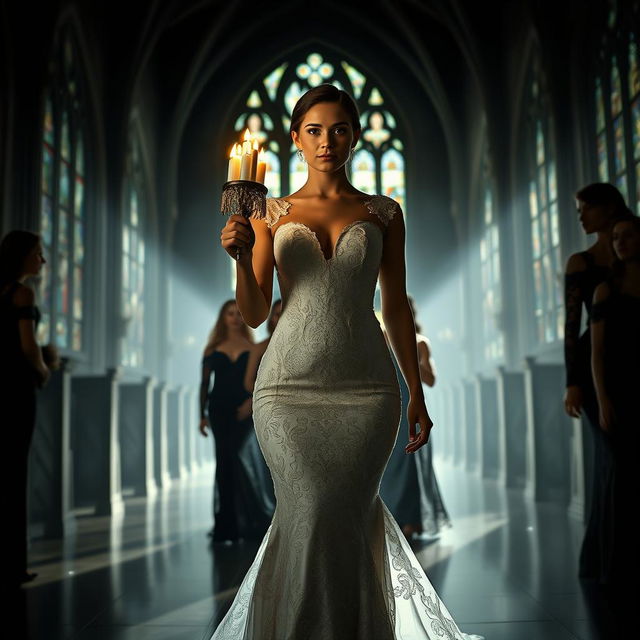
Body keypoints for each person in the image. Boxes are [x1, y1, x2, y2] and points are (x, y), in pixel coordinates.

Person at [214, 85, 482, 639]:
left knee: (345, 515)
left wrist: (418, 395)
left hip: (368, 391)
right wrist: (242, 259)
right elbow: (257, 311)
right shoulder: (268, 211)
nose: (326, 141)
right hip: (286, 391)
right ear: (295, 138)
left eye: (338, 129)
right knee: (309, 511)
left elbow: (399, 312)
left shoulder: (384, 213)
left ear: (355, 136)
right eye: (313, 130)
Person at [563, 183, 632, 582]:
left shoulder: (631, 254)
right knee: (612, 461)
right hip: (595, 370)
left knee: (623, 463)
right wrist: (573, 381)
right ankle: (606, 562)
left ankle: (608, 557)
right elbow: (572, 328)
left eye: (586, 208)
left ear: (607, 209)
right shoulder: (582, 263)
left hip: (632, 365)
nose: (581, 216)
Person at [591, 216, 640, 590]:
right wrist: (603, 398)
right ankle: (618, 568)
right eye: (616, 237)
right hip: (621, 390)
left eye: (628, 236)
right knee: (622, 477)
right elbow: (598, 353)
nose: (620, 242)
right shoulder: (607, 289)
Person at [199, 300, 272, 543]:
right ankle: (225, 524)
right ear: (222, 318)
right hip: (218, 409)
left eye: (239, 313)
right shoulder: (212, 349)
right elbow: (204, 386)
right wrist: (201, 416)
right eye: (230, 314)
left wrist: (250, 402)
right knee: (224, 461)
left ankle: (247, 522)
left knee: (239, 459)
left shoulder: (253, 347)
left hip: (243, 409)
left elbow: (259, 380)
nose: (235, 318)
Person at [0, 230, 50, 588]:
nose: (42, 260)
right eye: (38, 252)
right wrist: (44, 370)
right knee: (14, 475)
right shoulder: (21, 293)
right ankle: (12, 565)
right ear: (22, 256)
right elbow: (29, 346)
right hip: (15, 390)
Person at [380, 296, 450, 540]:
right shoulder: (379, 338)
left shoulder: (421, 343)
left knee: (412, 462)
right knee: (390, 464)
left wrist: (408, 354)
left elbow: (431, 380)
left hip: (413, 408)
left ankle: (412, 520)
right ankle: (394, 518)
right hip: (388, 409)